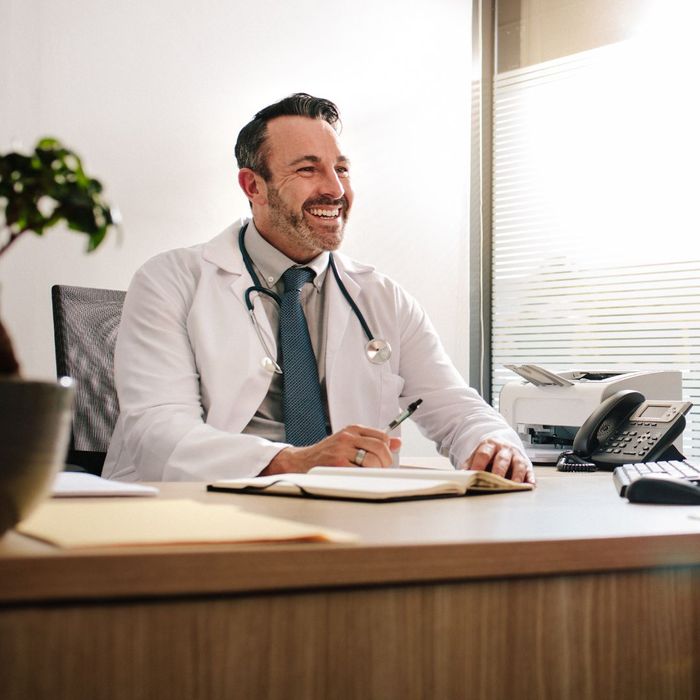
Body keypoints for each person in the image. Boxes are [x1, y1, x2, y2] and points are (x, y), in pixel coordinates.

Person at [103, 93, 534, 484]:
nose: (335, 189)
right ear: (254, 186)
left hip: (343, 512)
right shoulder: (171, 281)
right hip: (203, 510)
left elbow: (455, 406)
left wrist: (494, 444)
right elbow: (157, 433)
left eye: (341, 169)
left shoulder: (383, 298)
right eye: (308, 169)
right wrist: (293, 461)